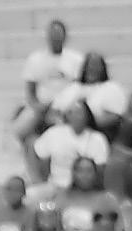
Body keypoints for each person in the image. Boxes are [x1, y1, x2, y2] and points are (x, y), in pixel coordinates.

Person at [14, 19, 83, 163]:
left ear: (65, 36)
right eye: (52, 34)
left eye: (58, 34)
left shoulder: (76, 59)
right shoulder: (35, 59)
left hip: (66, 107)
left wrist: (61, 106)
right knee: (20, 129)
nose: (55, 37)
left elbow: (78, 88)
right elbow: (30, 91)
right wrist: (38, 106)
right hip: (40, 106)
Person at [31, 102, 108, 192]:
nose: (76, 116)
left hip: (84, 190)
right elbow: (38, 153)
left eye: (79, 112)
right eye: (71, 112)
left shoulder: (98, 139)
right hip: (55, 186)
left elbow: (100, 169)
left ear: (87, 116)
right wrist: (39, 179)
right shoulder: (54, 132)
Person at [52, 52, 127, 140]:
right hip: (65, 130)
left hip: (95, 133)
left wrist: (84, 124)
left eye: (96, 66)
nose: (92, 69)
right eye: (89, 65)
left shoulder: (111, 88)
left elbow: (115, 117)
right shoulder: (73, 87)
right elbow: (54, 111)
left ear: (103, 69)